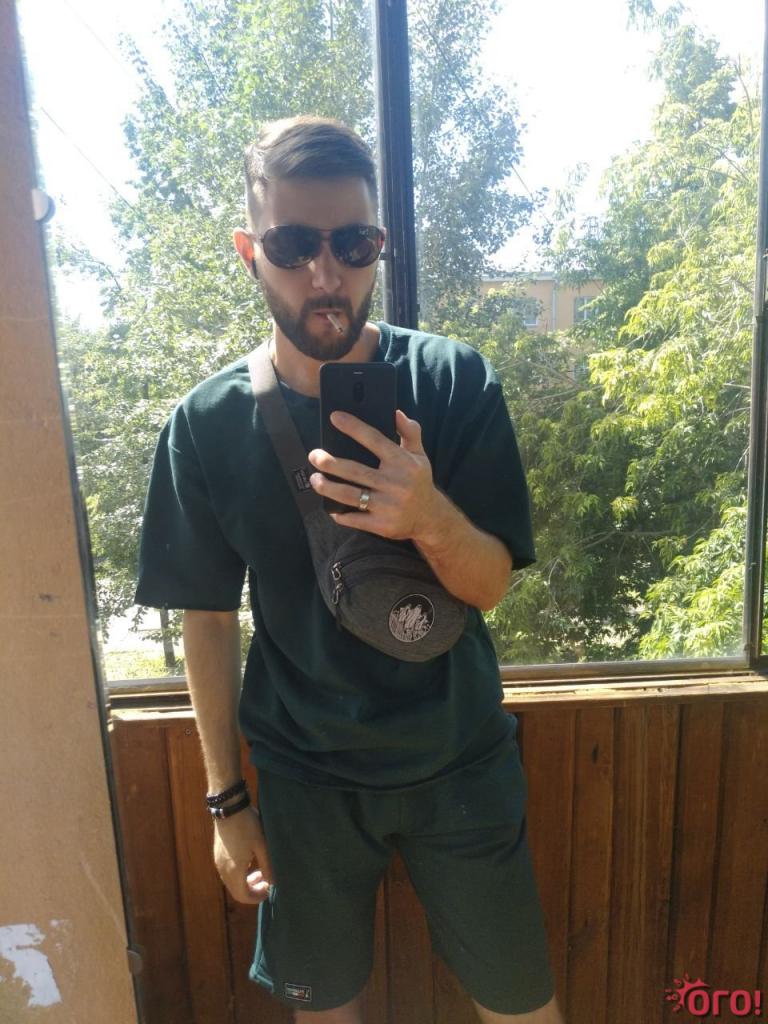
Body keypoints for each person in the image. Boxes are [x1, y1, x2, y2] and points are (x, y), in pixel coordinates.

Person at [135, 114, 565, 1024]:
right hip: (306, 781)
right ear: (250, 252)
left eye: (353, 244)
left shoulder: (454, 382)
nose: (326, 275)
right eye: (294, 245)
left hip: (461, 760)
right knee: (324, 1008)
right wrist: (226, 804)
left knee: (520, 1004)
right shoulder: (206, 425)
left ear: (379, 247)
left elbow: (490, 586)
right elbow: (205, 621)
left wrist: (428, 516)